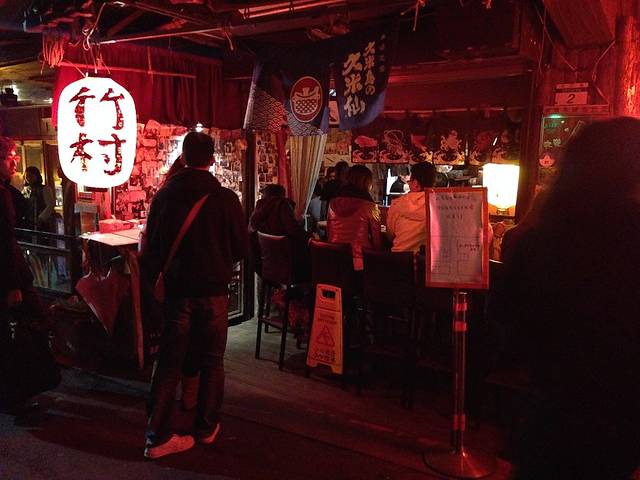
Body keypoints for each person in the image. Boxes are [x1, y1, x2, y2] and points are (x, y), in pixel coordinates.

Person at [502, 118, 640, 479]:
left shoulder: (542, 235)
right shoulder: (631, 235)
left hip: (547, 411)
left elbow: (509, 330)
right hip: (617, 415)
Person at [141, 132, 248, 459]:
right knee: (212, 360)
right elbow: (241, 249)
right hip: (214, 293)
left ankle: (158, 436)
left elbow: (152, 250)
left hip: (177, 293)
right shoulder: (226, 199)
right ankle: (206, 427)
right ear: (212, 159)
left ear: (184, 158)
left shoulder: (164, 197)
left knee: (169, 363)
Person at [0, 137, 56, 417]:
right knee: (21, 331)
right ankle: (17, 395)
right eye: (10, 157)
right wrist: (13, 283)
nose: (16, 162)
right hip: (9, 277)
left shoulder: (7, 191)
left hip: (11, 274)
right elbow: (3, 242)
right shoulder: (2, 194)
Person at [249, 183, 311, 280]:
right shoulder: (282, 204)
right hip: (286, 266)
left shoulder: (259, 208)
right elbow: (293, 230)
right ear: (282, 195)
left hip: (261, 266)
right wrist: (310, 237)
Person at [327, 165, 382, 271]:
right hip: (360, 260)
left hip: (334, 257)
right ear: (366, 183)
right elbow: (377, 240)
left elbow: (329, 232)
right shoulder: (369, 206)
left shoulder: (332, 203)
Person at [386, 162, 436, 253]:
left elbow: (390, 235)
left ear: (416, 184)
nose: (408, 184)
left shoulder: (398, 204)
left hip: (399, 258)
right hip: (425, 259)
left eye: (410, 181)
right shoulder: (438, 206)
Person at [23, 166, 55, 232]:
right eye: (27, 176)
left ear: (37, 176)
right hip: (29, 221)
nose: (29, 178)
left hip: (42, 222)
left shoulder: (44, 189)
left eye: (31, 176)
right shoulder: (25, 190)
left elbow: (50, 205)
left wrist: (41, 218)